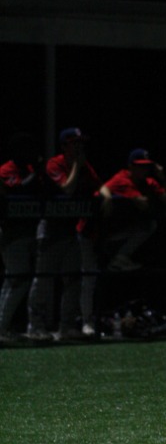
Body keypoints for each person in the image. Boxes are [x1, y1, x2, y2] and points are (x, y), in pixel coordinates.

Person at [28, 127, 103, 340]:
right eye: (74, 143)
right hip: (50, 230)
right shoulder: (55, 163)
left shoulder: (83, 165)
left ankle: (66, 327)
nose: (79, 147)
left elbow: (99, 186)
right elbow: (67, 189)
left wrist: (104, 196)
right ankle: (36, 327)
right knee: (43, 281)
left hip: (70, 231)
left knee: (74, 280)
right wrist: (77, 166)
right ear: (64, 146)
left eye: (81, 143)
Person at [98, 148, 166, 272]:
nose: (144, 169)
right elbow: (103, 188)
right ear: (131, 166)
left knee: (150, 225)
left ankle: (120, 258)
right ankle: (119, 259)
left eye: (146, 166)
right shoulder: (122, 178)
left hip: (130, 232)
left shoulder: (150, 183)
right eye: (140, 166)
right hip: (107, 233)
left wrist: (163, 178)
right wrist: (107, 197)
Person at [0, 132, 44, 341]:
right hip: (12, 233)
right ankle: (1, 327)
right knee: (18, 281)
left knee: (14, 281)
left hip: (28, 231)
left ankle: (2, 327)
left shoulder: (28, 169)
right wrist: (37, 173)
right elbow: (16, 190)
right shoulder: (6, 169)